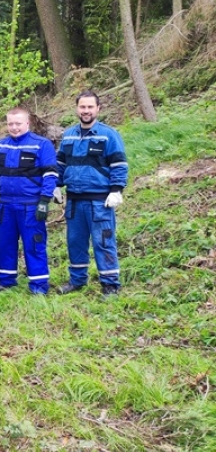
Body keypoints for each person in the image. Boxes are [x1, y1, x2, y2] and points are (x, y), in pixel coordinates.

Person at [55, 91, 129, 297]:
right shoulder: (68, 135)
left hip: (100, 202)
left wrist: (116, 190)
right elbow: (60, 164)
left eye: (90, 107)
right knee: (75, 242)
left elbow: (119, 165)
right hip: (74, 202)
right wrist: (55, 185)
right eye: (82, 107)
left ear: (98, 109)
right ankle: (77, 280)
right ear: (76, 108)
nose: (86, 111)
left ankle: (110, 284)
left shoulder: (109, 135)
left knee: (103, 242)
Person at [0, 107, 58, 295]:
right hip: (6, 205)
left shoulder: (41, 145)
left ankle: (39, 286)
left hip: (31, 205)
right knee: (5, 244)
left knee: (34, 244)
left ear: (27, 123)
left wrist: (44, 200)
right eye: (10, 124)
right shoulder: (1, 145)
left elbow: (50, 174)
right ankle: (6, 281)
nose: (14, 127)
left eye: (18, 123)